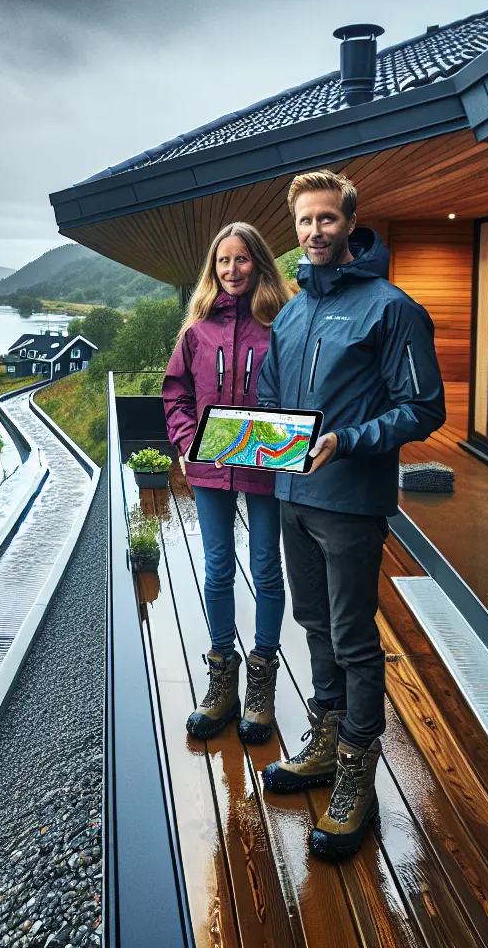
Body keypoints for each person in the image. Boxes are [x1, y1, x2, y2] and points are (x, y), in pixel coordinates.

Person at [256, 170, 445, 859]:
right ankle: (328, 745)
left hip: (351, 502)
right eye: (305, 222)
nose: (315, 232)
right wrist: (249, 436)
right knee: (313, 627)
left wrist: (348, 440)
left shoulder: (391, 308)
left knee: (354, 638)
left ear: (350, 222)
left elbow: (425, 409)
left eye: (327, 220)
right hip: (292, 500)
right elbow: (275, 401)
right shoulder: (294, 312)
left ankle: (358, 779)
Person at [162, 221, 297, 744]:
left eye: (242, 260)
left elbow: (299, 393)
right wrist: (186, 441)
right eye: (224, 261)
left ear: (259, 264)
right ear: (213, 269)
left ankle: (261, 685)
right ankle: (222, 683)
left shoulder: (282, 325)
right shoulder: (197, 332)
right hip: (210, 467)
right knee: (217, 567)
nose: (232, 270)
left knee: (266, 567)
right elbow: (175, 393)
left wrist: (291, 439)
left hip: (266, 461)